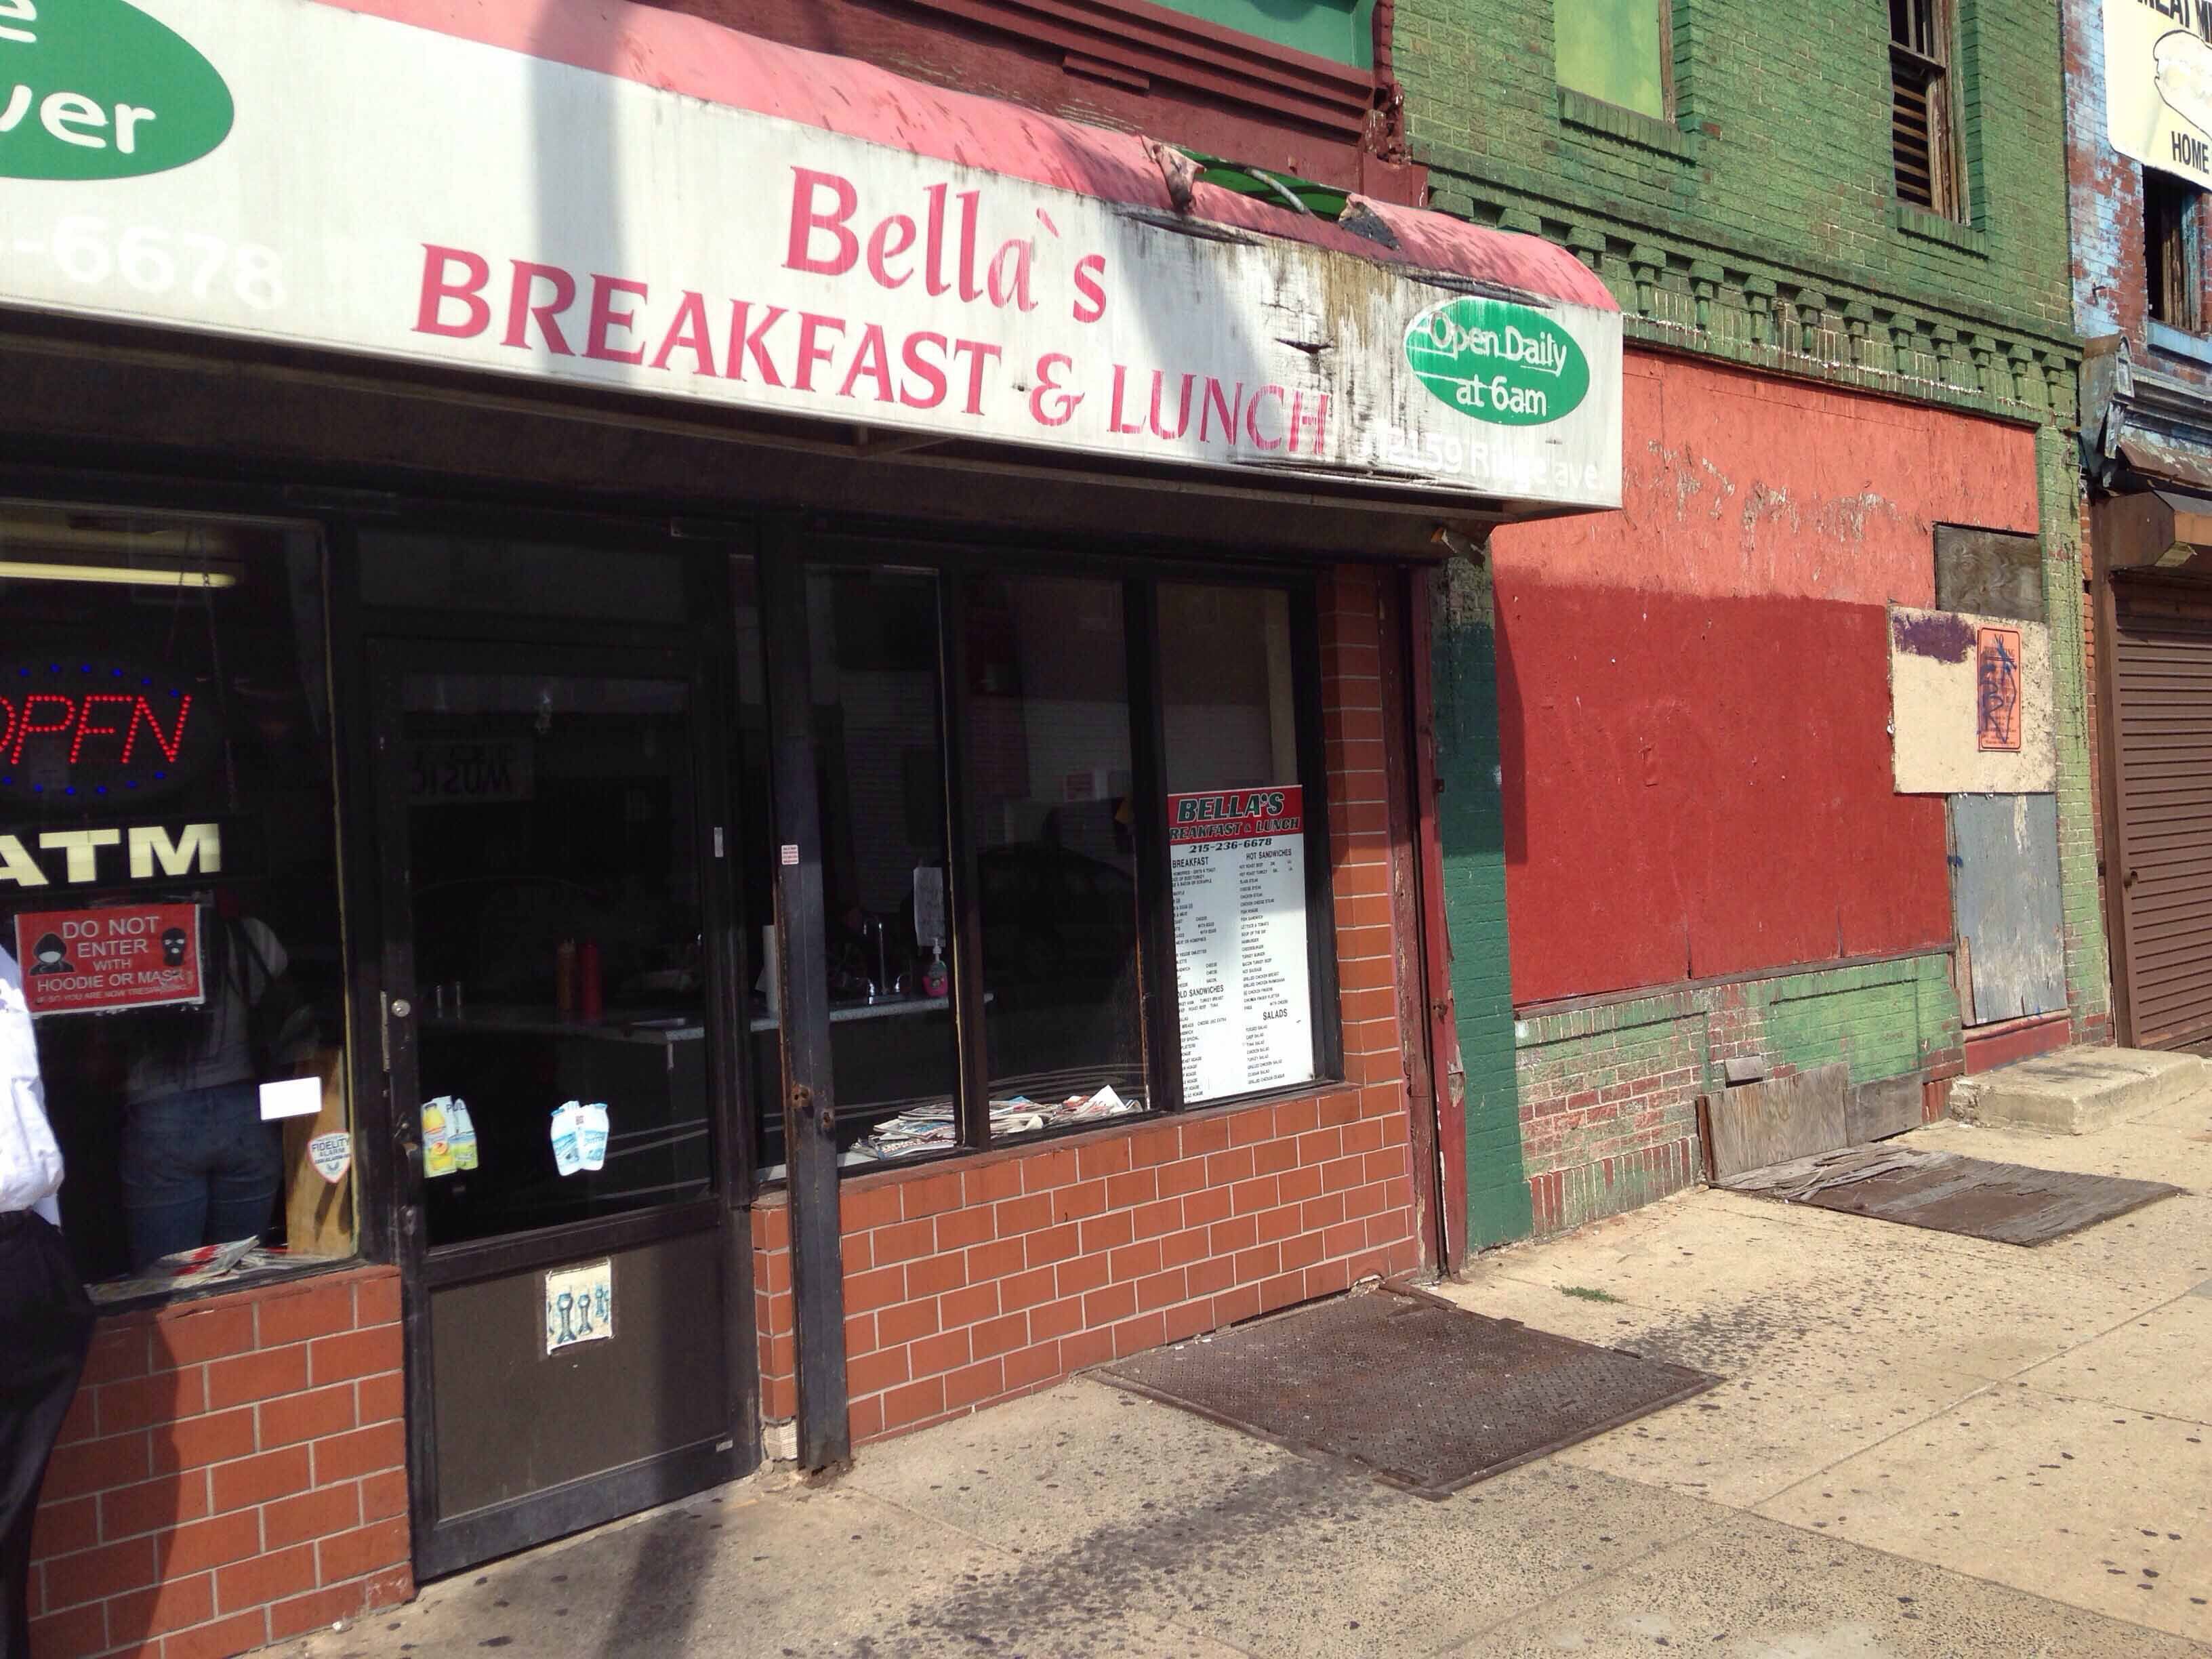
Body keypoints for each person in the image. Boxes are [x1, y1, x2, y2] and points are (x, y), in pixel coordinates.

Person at [0, 940, 94, 1659]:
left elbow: (26, 1111)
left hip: (27, 1259)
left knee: (11, 1522)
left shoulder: (3, 969)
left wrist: (49, 1247)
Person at [117, 903, 298, 1271]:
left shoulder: (129, 939)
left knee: (166, 1279)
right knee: (238, 1269)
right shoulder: (251, 935)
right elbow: (293, 1020)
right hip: (247, 1111)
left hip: (161, 1113)